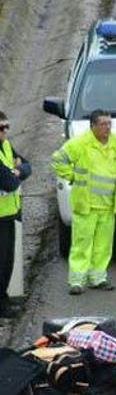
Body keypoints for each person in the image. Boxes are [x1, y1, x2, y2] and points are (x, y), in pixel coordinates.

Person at [51, 109, 116, 295]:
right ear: (93, 126)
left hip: (108, 205)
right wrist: (72, 176)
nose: (108, 127)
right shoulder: (80, 143)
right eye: (103, 124)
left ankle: (98, 278)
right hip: (86, 205)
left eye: (109, 123)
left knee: (103, 245)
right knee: (82, 244)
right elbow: (57, 160)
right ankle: (77, 281)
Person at [0, 111, 32, 318]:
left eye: (6, 127)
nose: (4, 131)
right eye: (0, 128)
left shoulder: (6, 145)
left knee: (6, 262)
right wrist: (14, 172)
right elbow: (9, 183)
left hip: (9, 214)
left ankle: (4, 301)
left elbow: (27, 166)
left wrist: (16, 171)